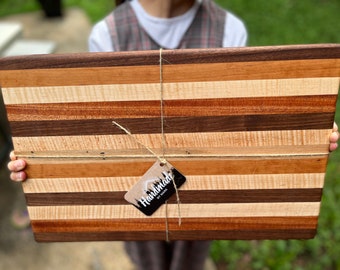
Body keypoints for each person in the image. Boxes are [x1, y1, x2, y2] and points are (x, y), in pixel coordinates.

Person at [7, 1, 340, 270]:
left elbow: (243, 117)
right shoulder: (108, 33)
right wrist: (37, 161)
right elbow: (95, 125)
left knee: (189, 257)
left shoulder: (228, 29)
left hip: (204, 194)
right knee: (145, 255)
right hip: (137, 194)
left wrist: (307, 134)